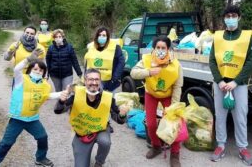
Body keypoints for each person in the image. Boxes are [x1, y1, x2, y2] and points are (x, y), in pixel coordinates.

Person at [0, 52, 66, 167]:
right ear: (29, 70)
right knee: (6, 143)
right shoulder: (21, 79)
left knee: (42, 137)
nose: (38, 72)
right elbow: (16, 69)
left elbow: (48, 96)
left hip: (32, 119)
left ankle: (40, 158)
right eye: (35, 69)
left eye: (41, 70)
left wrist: (63, 93)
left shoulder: (44, 85)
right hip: (17, 119)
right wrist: (28, 59)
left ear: (44, 73)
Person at [209, 5, 252, 166]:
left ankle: (242, 148)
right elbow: (212, 60)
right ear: (224, 18)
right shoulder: (218, 37)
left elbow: (250, 62)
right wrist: (219, 80)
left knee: (240, 116)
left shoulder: (247, 36)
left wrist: (236, 82)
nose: (230, 18)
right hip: (221, 83)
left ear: (239, 17)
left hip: (239, 84)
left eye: (233, 15)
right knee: (220, 116)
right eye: (228, 15)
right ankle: (220, 146)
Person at [54, 68, 127, 167]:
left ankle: (99, 162)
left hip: (101, 129)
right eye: (90, 79)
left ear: (100, 81)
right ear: (85, 81)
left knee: (105, 142)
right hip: (82, 132)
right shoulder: (76, 94)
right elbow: (58, 111)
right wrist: (61, 101)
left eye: (97, 79)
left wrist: (122, 114)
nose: (94, 82)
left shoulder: (107, 97)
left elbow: (119, 119)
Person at [130, 36, 183, 167]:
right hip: (151, 94)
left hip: (168, 96)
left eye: (163, 48)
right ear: (153, 49)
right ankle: (156, 146)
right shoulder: (146, 59)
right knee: (151, 124)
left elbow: (178, 85)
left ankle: (175, 154)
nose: (160, 50)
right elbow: (133, 73)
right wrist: (148, 72)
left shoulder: (175, 64)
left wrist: (174, 106)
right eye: (157, 47)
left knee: (173, 124)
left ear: (168, 49)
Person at [84, 27, 125, 92]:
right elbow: (87, 63)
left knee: (109, 100)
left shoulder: (115, 47)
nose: (101, 37)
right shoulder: (91, 47)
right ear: (96, 37)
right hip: (94, 81)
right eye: (99, 35)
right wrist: (85, 77)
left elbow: (121, 62)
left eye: (104, 35)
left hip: (110, 81)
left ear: (107, 37)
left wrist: (115, 78)